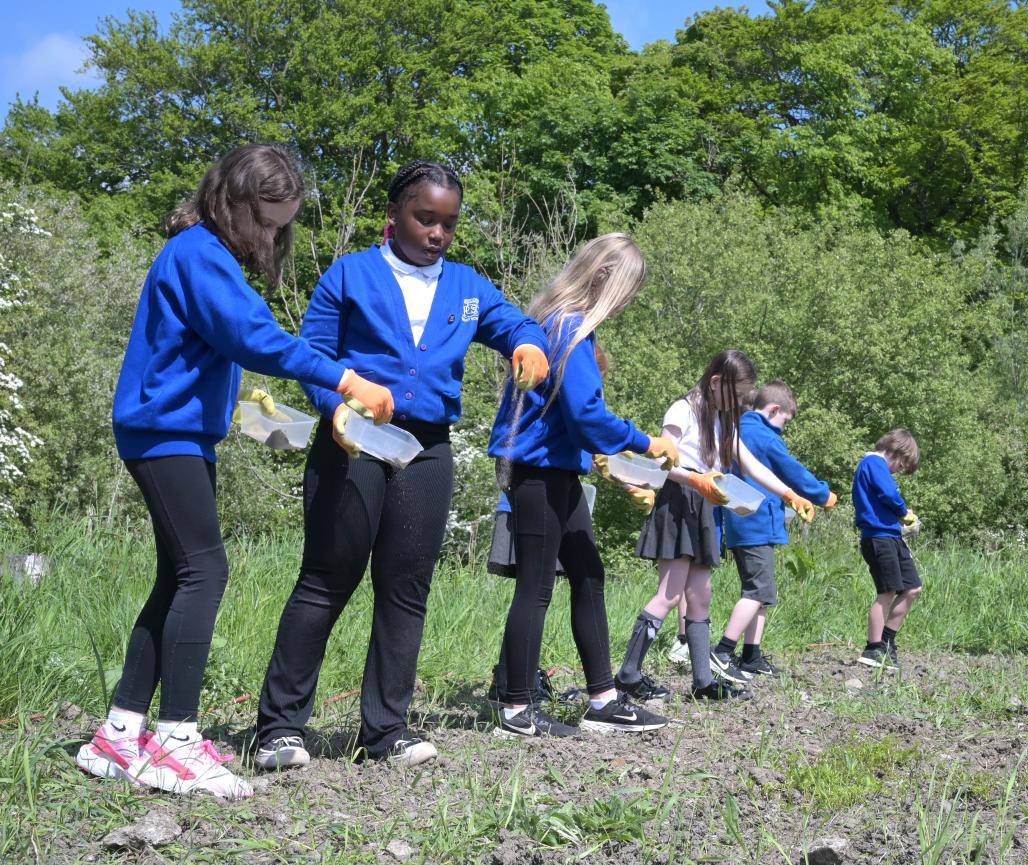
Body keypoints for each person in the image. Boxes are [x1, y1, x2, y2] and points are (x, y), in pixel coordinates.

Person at [79, 144, 394, 800]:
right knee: (206, 570)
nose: (270, 235)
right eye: (265, 220)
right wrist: (342, 375)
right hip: (163, 434)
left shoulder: (207, 257)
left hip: (179, 434)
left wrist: (259, 407)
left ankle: (118, 733)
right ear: (231, 202)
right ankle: (175, 740)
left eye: (281, 224)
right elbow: (253, 335)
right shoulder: (198, 254)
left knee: (177, 576)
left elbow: (223, 346)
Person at [254, 161, 550, 769]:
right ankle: (279, 728)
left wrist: (529, 343)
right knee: (326, 579)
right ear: (395, 215)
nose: (437, 232)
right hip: (352, 439)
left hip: (428, 451)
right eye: (425, 218)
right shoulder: (350, 274)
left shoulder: (468, 288)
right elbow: (311, 354)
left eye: (448, 222)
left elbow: (516, 322)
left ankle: (386, 730)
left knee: (406, 587)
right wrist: (334, 405)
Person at [486, 233, 678, 736]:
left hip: (556, 468)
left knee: (589, 574)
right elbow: (587, 415)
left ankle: (603, 699)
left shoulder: (561, 325)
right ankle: (515, 709)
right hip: (536, 471)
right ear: (602, 279)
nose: (628, 302)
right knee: (536, 584)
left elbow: (570, 423)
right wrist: (646, 442)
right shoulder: (569, 325)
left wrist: (616, 470)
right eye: (627, 290)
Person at [614, 350, 818, 703]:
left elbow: (750, 465)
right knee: (670, 593)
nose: (739, 403)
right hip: (679, 500)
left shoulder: (722, 420)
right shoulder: (683, 410)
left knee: (701, 595)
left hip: (704, 505)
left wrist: (789, 494)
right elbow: (662, 459)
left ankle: (703, 682)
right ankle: (628, 676)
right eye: (736, 395)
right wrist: (696, 482)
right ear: (715, 383)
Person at [714, 381, 836, 677]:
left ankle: (751, 656)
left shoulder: (737, 429)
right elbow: (793, 471)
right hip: (757, 524)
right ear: (774, 409)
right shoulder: (764, 437)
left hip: (742, 523)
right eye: (786, 420)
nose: (785, 427)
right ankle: (722, 652)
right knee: (757, 591)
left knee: (762, 593)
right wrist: (822, 494)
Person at [853, 429, 921, 671]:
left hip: (891, 536)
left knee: (912, 588)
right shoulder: (873, 462)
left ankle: (887, 640)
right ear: (895, 451)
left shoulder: (878, 465)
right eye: (901, 465)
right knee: (887, 592)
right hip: (878, 537)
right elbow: (889, 493)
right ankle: (873, 648)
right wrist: (904, 512)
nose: (899, 470)